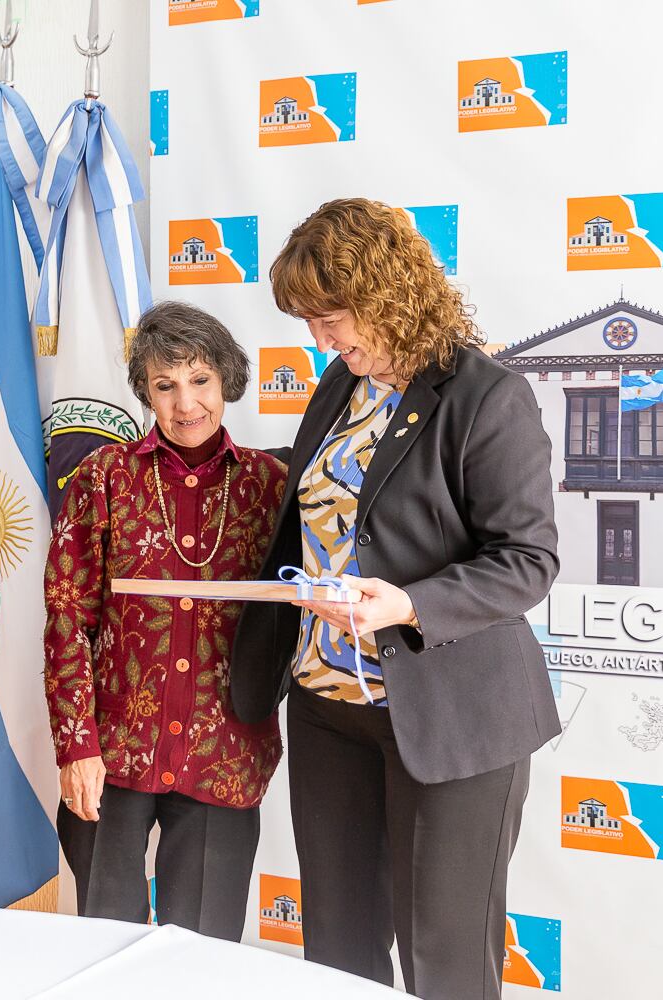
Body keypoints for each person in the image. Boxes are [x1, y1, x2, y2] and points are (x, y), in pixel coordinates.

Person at [230, 198, 561, 1000]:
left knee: (443, 963)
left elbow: (528, 560)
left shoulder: (485, 396)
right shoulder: (340, 383)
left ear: (388, 294)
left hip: (450, 718)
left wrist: (405, 604)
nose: (320, 340)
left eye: (331, 317)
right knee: (338, 956)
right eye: (309, 323)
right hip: (325, 708)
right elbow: (328, 503)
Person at [44, 301, 286, 940]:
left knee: (202, 959)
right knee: (105, 946)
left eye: (200, 380)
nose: (185, 404)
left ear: (227, 379)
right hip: (113, 752)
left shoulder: (271, 485)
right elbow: (67, 616)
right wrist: (76, 746)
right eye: (164, 386)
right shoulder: (104, 478)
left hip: (225, 751)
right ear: (144, 392)